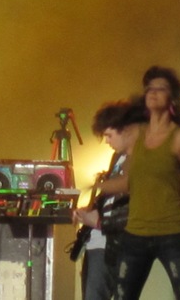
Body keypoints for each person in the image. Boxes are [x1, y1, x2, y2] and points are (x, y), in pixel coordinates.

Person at [99, 65, 180, 300]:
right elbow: (130, 181)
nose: (153, 93)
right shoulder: (137, 134)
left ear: (172, 97)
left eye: (160, 88)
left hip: (173, 232)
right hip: (136, 233)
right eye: (149, 88)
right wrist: (100, 186)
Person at [72, 99, 143, 300]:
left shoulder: (141, 161)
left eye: (109, 135)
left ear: (125, 131)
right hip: (99, 244)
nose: (106, 141)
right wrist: (89, 210)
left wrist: (99, 222)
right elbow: (112, 201)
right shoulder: (118, 158)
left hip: (115, 245)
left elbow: (137, 210)